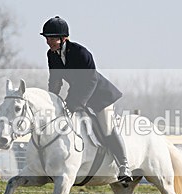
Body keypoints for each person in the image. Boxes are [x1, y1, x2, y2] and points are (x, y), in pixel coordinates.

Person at [41, 15, 132, 183]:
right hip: (77, 94)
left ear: (64, 38)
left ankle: (124, 166)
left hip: (99, 96)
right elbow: (55, 80)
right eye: (47, 38)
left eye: (52, 38)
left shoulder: (81, 53)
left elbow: (90, 81)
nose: (49, 42)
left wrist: (77, 103)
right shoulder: (51, 55)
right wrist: (52, 100)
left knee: (106, 127)